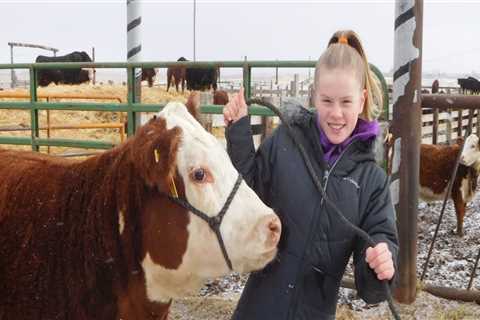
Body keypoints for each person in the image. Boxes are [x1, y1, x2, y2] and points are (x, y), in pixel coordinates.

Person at [223, 30, 399, 320]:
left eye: (346, 102)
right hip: (257, 310)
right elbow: (247, 193)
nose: (336, 114)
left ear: (362, 98)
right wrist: (239, 132)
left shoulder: (371, 182)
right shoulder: (286, 142)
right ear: (314, 96)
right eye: (327, 101)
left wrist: (382, 262)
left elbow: (372, 287)